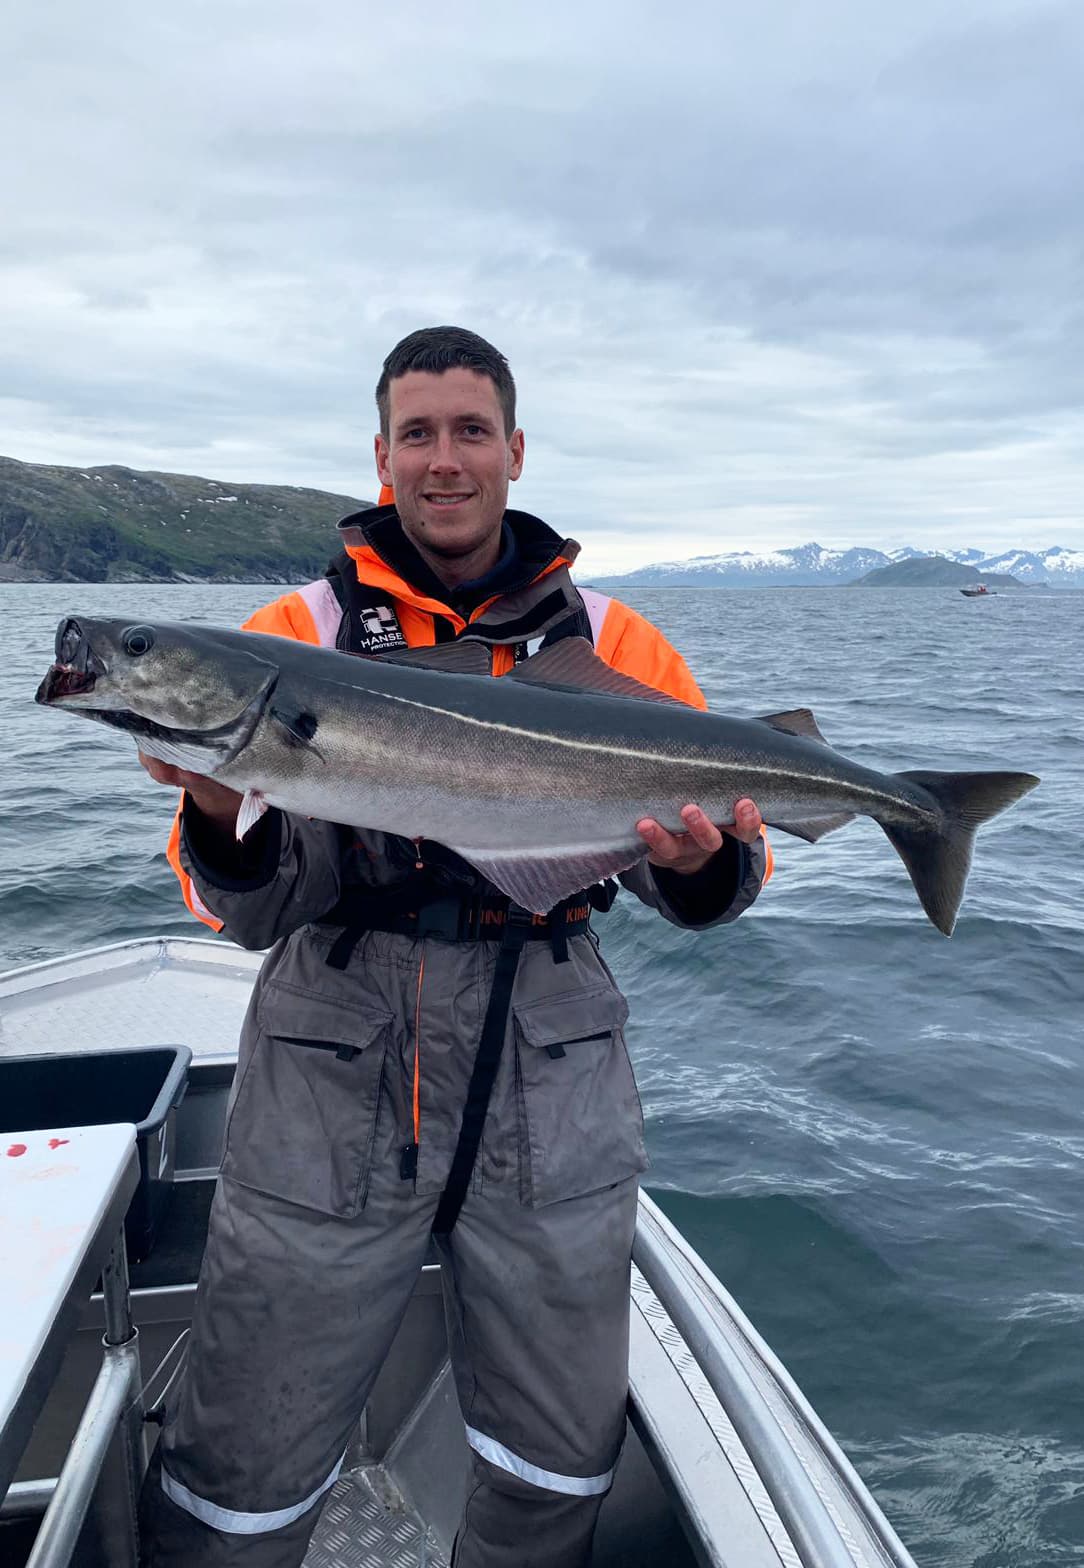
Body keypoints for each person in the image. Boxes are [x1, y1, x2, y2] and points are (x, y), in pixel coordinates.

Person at [137, 326, 771, 1568]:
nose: (444, 459)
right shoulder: (294, 630)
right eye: (416, 433)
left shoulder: (615, 639)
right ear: (380, 457)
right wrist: (214, 806)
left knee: (556, 1459)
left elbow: (711, 880)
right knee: (239, 1468)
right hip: (331, 1067)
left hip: (553, 1066)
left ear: (514, 451)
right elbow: (243, 910)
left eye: (469, 431)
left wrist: (706, 863)